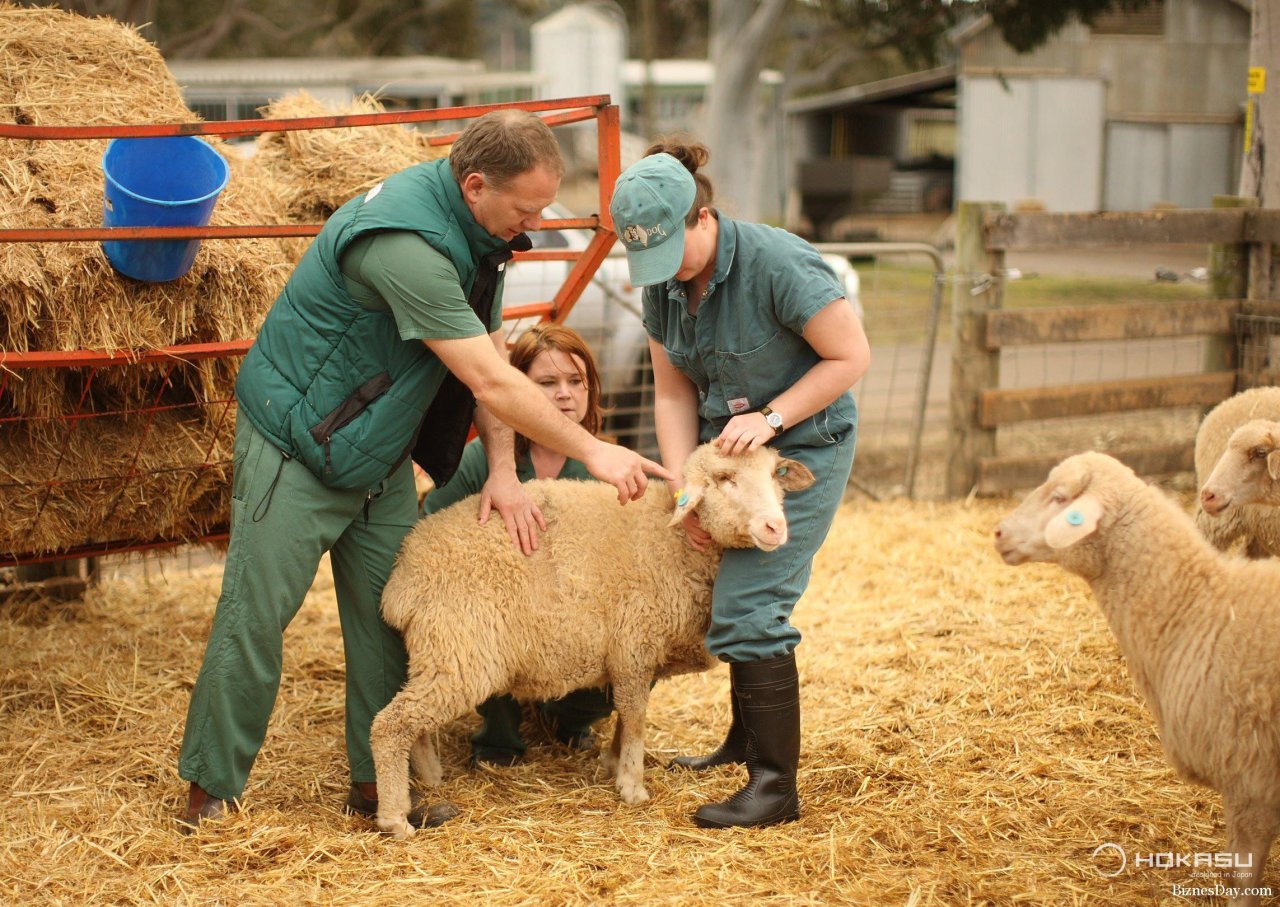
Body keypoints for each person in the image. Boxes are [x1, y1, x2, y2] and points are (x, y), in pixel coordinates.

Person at [177, 110, 669, 832]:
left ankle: (379, 786)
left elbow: (493, 356)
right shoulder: (407, 244)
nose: (535, 221)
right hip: (298, 445)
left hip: (375, 452)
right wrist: (596, 449)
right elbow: (491, 381)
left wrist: (503, 470)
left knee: (389, 621)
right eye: (526, 208)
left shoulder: (481, 238)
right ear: (475, 185)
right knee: (258, 613)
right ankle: (212, 786)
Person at [609, 140, 871, 830]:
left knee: (751, 600)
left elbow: (852, 355)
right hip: (723, 457)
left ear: (702, 216)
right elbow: (670, 394)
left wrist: (775, 416)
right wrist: (685, 490)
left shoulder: (777, 263)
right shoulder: (663, 286)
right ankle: (741, 741)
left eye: (671, 250)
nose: (661, 273)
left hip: (800, 448)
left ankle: (775, 786)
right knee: (724, 584)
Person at [420, 322, 614, 766]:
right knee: (486, 614)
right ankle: (499, 732)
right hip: (504, 609)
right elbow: (432, 527)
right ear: (518, 388)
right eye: (546, 383)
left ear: (591, 389)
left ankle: (568, 720)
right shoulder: (484, 460)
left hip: (574, 616)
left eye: (575, 381)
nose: (564, 394)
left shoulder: (604, 467)